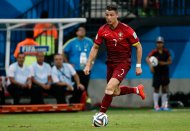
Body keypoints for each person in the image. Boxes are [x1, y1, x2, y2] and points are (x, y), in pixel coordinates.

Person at [83, 4, 145, 115]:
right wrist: (88, 65)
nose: (109, 17)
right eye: (107, 15)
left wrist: (138, 66)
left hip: (123, 63)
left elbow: (138, 46)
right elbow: (95, 47)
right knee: (114, 92)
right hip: (110, 64)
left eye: (111, 15)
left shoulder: (127, 30)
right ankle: (136, 90)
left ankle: (101, 115)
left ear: (117, 15)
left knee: (109, 88)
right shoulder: (102, 30)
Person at [63, 27, 93, 92]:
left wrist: (92, 62)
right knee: (76, 86)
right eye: (80, 30)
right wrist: (68, 63)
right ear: (76, 32)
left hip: (86, 68)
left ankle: (85, 99)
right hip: (75, 69)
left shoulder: (89, 41)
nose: (82, 31)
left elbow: (94, 52)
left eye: (83, 30)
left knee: (85, 85)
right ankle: (76, 100)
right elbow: (63, 51)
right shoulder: (71, 42)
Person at [146, 36, 172, 111]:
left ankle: (164, 105)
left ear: (163, 43)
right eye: (158, 42)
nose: (159, 44)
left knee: (164, 88)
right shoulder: (154, 52)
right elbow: (147, 58)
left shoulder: (166, 51)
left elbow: (170, 61)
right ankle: (156, 106)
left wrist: (162, 63)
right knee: (156, 88)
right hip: (157, 72)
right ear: (156, 43)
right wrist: (151, 65)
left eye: (160, 42)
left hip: (165, 72)